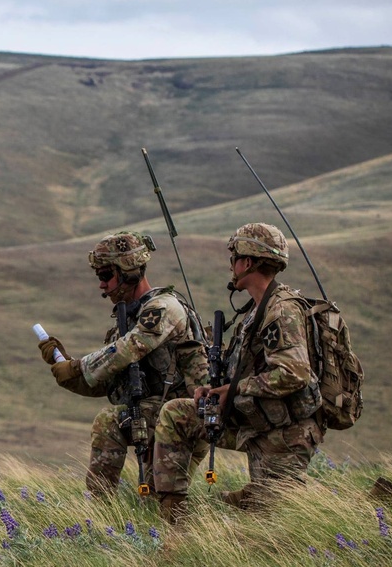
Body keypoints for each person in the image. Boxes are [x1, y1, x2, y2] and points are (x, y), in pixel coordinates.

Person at [152, 223, 323, 522]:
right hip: (256, 420)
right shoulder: (256, 310)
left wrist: (234, 390)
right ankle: (172, 520)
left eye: (233, 259)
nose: (231, 266)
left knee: (276, 522)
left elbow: (293, 374)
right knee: (177, 414)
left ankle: (370, 503)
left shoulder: (281, 311)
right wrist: (218, 390)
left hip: (284, 433)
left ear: (246, 262)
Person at [38, 231, 209, 497]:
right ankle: (101, 517)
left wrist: (78, 367)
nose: (102, 285)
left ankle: (101, 510)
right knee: (152, 505)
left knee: (110, 424)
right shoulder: (128, 320)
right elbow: (107, 382)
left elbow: (129, 349)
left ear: (128, 271)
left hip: (183, 416)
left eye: (106, 276)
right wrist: (64, 368)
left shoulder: (163, 307)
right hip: (153, 416)